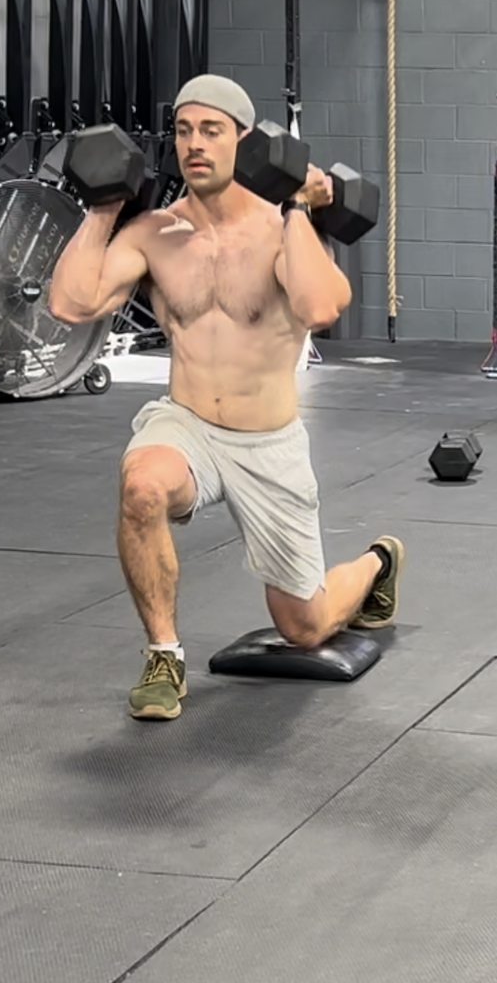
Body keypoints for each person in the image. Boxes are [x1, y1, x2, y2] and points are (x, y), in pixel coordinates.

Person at [49, 75, 404, 721]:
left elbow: (321, 307)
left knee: (306, 624)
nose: (194, 145)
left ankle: (377, 563)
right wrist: (102, 204)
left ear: (246, 141)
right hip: (187, 426)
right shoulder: (155, 232)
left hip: (267, 441)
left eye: (211, 131)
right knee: (142, 486)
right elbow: (71, 303)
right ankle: (163, 656)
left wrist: (298, 209)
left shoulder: (279, 227)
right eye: (183, 131)